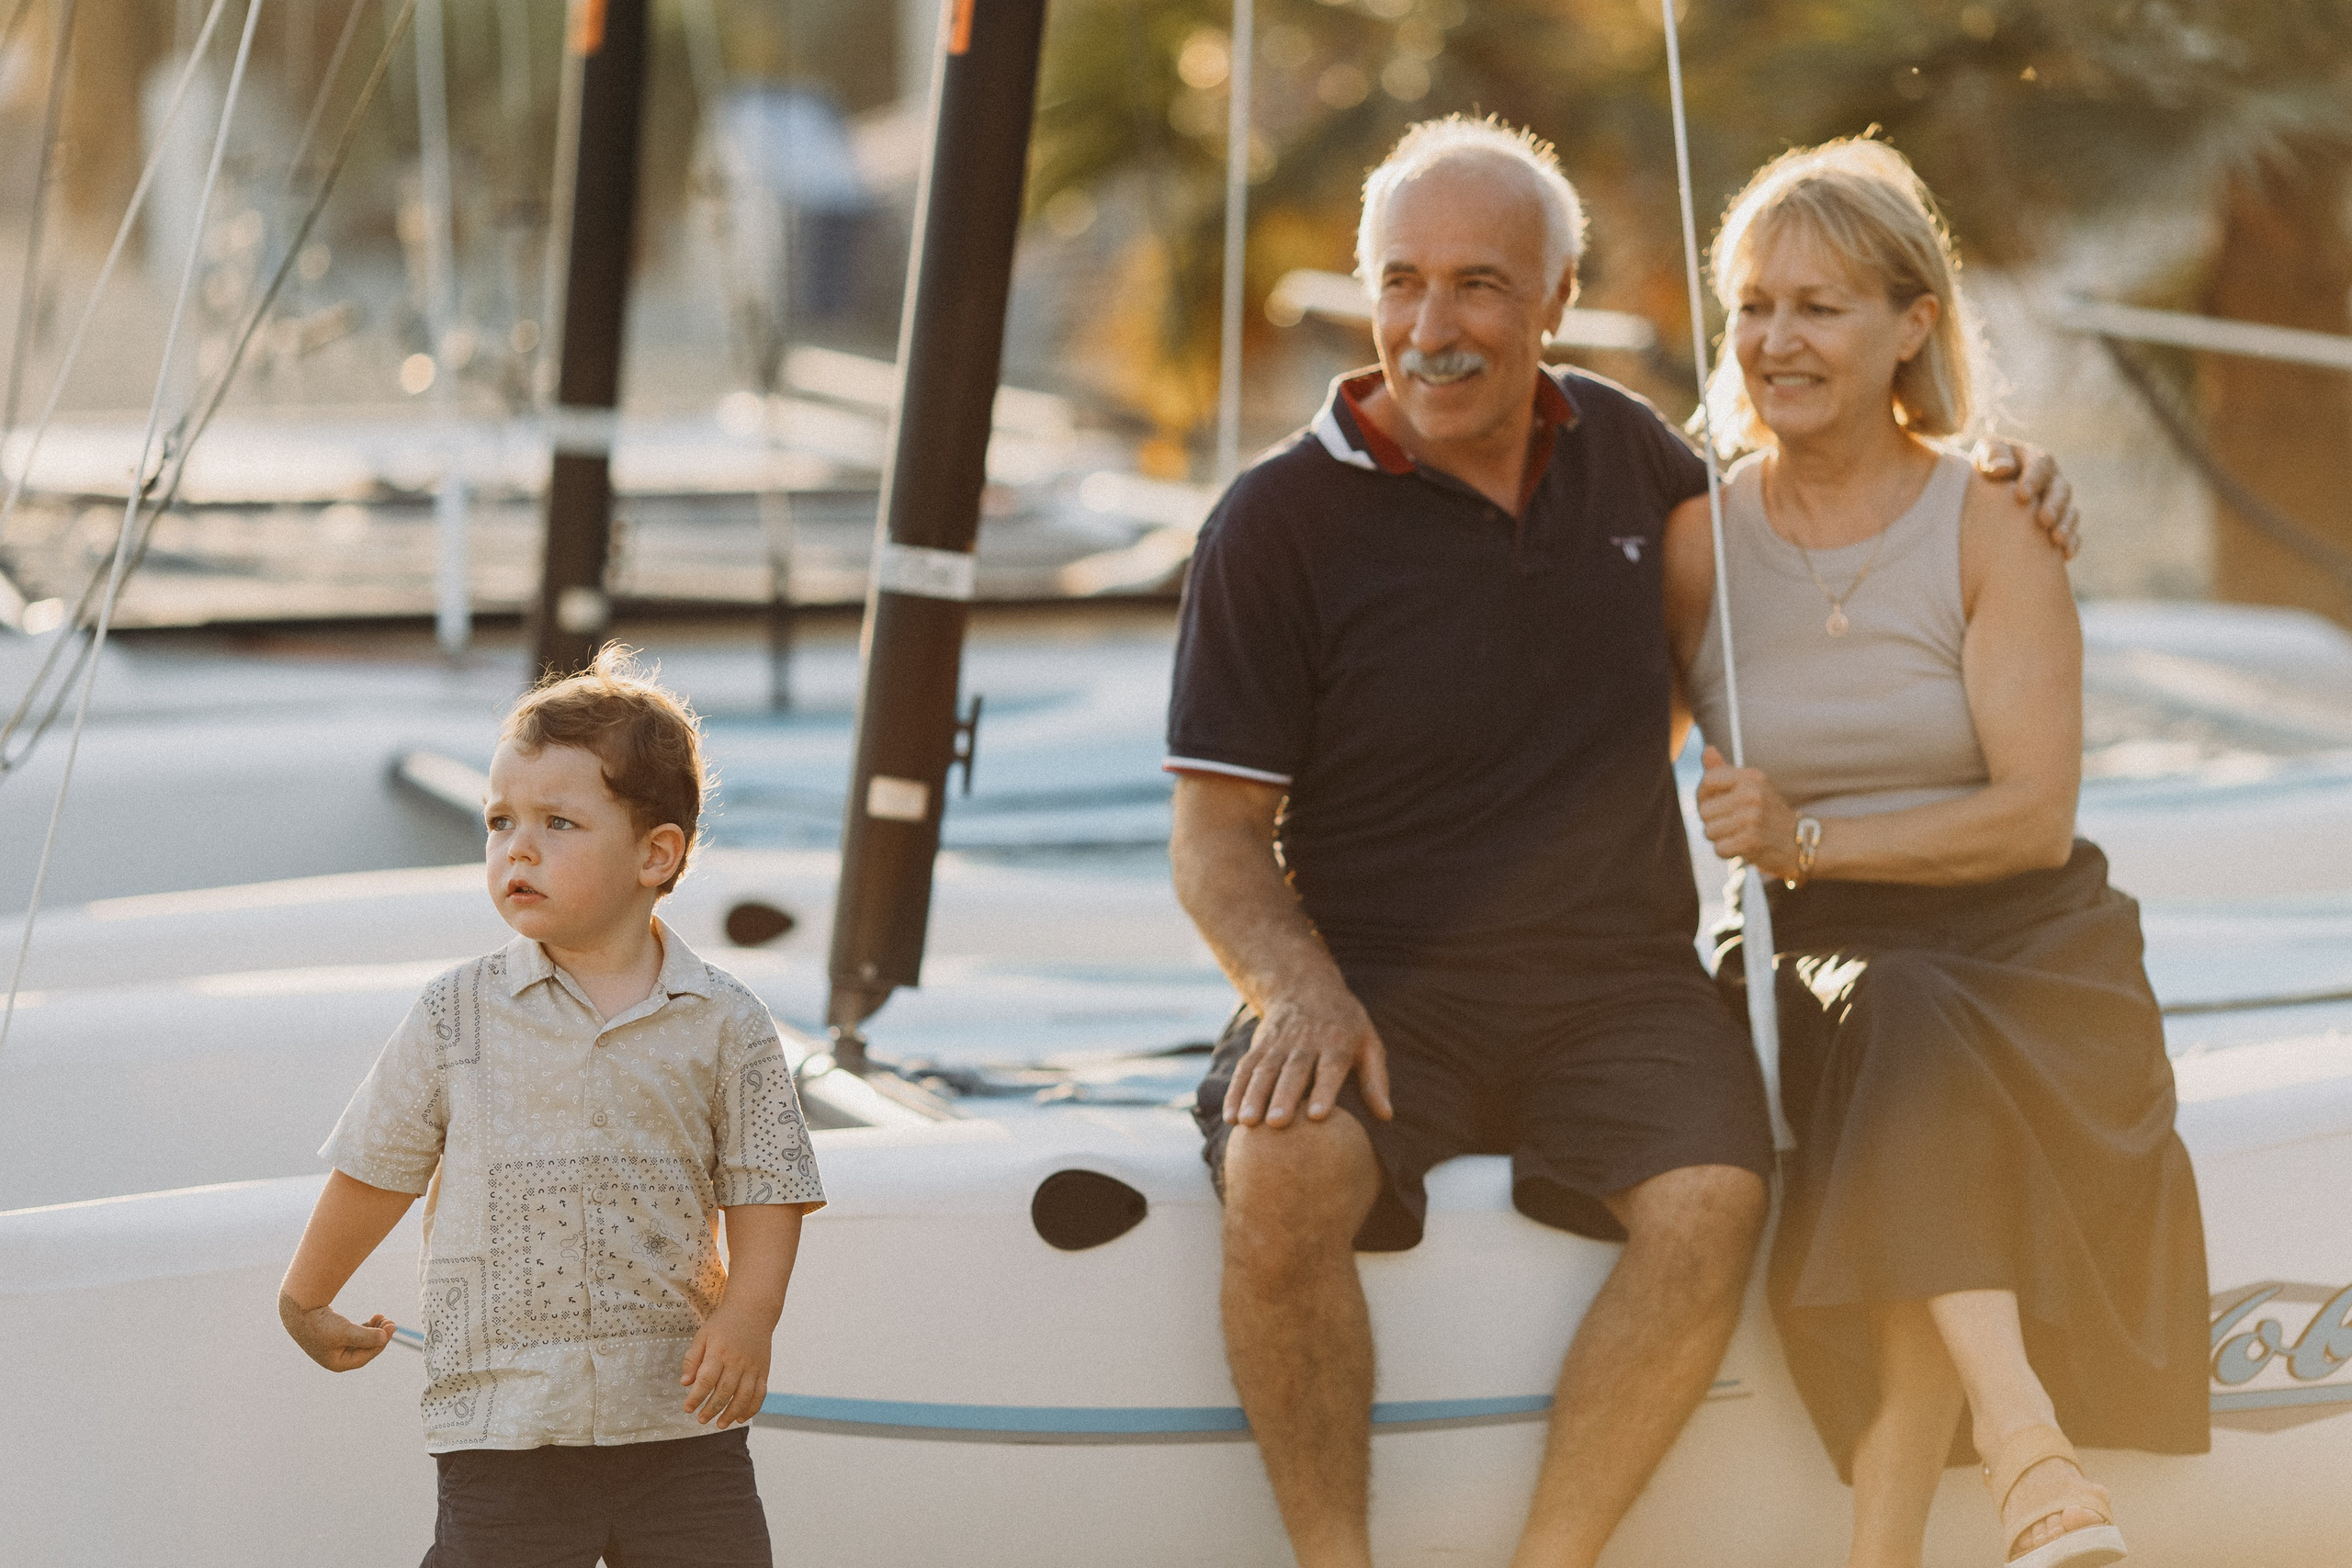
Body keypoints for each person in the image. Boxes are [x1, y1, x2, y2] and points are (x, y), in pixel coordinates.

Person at [1166, 116, 2080, 1568]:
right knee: (1279, 1176)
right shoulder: (1273, 521)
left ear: (1559, 297)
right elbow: (1215, 836)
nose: (1433, 325)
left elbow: (1830, 478)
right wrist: (1299, 986)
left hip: (1619, 976)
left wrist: (2003, 476)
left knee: (1717, 1195)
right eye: (1401, 281)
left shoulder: (1636, 462)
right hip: (1380, 974)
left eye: (1479, 284)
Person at [1668, 138, 2208, 1568]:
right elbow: (1583, 763)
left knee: (1906, 1030)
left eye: (1820, 305)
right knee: (1887, 1016)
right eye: (1754, 306)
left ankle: (1941, 1502)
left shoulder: (1995, 516)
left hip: (2027, 944)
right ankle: (2029, 1453)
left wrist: (1808, 832)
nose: (1777, 339)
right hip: (1814, 948)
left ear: (1913, 324)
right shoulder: (1693, 545)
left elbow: (2034, 813)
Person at [277, 647, 825, 1568]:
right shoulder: (457, 1013)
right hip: (505, 1425)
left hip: (678, 1424)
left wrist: (749, 1316)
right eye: (500, 822)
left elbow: (765, 1183)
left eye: (558, 822)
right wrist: (307, 1297)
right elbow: (380, 1164)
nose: (516, 849)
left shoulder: (723, 1020)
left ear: (657, 854)